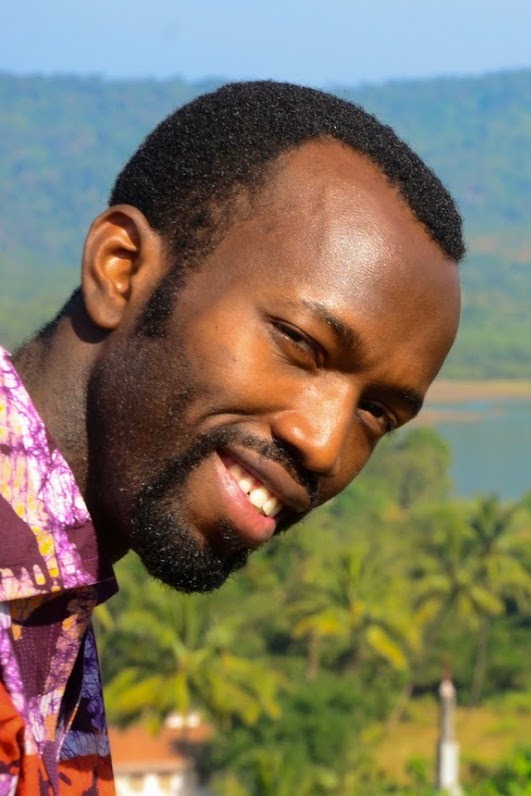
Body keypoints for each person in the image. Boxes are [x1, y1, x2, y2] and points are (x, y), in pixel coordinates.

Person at [0, 80, 464, 793]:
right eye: (300, 344)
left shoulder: (48, 612)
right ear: (120, 270)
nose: (324, 444)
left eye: (376, 413)